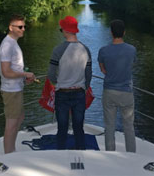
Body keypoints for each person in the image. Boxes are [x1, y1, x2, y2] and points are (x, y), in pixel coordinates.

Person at [48, 16, 92, 150]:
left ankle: (60, 154)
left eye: (61, 29)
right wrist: (85, 87)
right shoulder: (85, 49)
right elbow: (88, 74)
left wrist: (57, 83)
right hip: (79, 93)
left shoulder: (58, 50)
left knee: (62, 128)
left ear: (66, 30)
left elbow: (51, 74)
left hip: (62, 93)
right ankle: (81, 152)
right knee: (79, 127)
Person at [98, 19, 137, 153]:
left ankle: (110, 155)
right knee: (129, 126)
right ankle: (132, 155)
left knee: (109, 126)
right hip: (126, 92)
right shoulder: (132, 50)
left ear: (111, 33)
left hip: (109, 92)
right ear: (124, 32)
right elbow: (131, 65)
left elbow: (103, 70)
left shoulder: (103, 51)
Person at [0, 14, 35, 153]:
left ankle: (11, 149)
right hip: (11, 90)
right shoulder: (7, 45)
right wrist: (25, 74)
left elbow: (14, 69)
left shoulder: (13, 43)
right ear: (10, 28)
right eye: (20, 27)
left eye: (24, 26)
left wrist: (24, 78)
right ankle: (8, 154)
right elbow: (6, 72)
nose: (23, 29)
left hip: (16, 88)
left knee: (20, 117)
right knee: (12, 124)